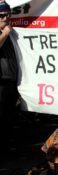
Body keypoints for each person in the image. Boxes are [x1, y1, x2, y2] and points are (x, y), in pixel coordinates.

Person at [0, 0, 19, 154]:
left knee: (8, 118)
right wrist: (5, 34)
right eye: (2, 15)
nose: (6, 18)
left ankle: (6, 147)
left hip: (12, 82)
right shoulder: (6, 32)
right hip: (1, 82)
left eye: (8, 14)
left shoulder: (13, 32)